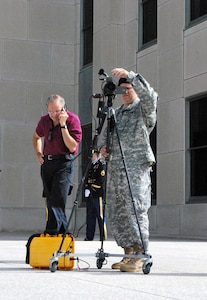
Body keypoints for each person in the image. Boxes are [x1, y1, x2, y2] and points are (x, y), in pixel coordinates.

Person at [100, 67, 158, 272]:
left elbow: (150, 96)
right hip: (116, 169)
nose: (125, 93)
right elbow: (106, 137)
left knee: (136, 209)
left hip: (135, 169)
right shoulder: (117, 114)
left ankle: (141, 253)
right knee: (118, 211)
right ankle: (128, 252)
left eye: (128, 89)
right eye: (121, 90)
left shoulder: (143, 109)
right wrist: (103, 149)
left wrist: (131, 75)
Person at [32, 94, 82, 235]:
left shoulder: (73, 120)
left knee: (58, 197)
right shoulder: (44, 121)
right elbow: (36, 137)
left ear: (64, 108)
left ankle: (52, 230)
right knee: (50, 199)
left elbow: (72, 147)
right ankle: (62, 232)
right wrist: (38, 153)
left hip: (64, 162)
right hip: (47, 162)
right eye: (51, 111)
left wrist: (63, 125)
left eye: (57, 111)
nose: (54, 114)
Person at [84, 150, 106, 241]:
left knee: (100, 215)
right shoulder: (91, 165)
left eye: (93, 154)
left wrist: (91, 187)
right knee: (90, 216)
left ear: (97, 155)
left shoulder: (101, 165)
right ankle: (89, 236)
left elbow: (101, 180)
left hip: (98, 194)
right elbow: (87, 178)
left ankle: (102, 236)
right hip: (90, 194)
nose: (91, 156)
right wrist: (86, 188)